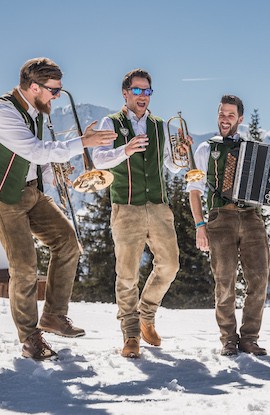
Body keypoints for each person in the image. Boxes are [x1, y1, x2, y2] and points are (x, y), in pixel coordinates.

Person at [0, 57, 117, 360]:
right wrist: (83, 143)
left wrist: (51, 175)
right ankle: (29, 337)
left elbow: (33, 158)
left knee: (68, 244)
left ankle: (53, 316)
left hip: (29, 191)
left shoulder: (35, 108)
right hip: (0, 196)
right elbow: (35, 149)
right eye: (54, 90)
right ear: (34, 87)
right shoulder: (2, 112)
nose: (58, 96)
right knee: (24, 265)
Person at [93, 69, 187, 359]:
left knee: (170, 265)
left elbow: (171, 166)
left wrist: (181, 155)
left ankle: (146, 315)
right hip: (127, 207)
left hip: (159, 206)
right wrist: (126, 149)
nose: (142, 96)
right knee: (127, 274)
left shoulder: (159, 125)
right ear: (125, 93)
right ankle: (131, 334)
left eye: (147, 91)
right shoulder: (112, 122)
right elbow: (98, 158)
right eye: (137, 91)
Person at [187, 95, 270, 357]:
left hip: (252, 217)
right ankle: (228, 339)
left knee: (259, 277)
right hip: (220, 219)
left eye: (231, 115)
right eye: (222, 114)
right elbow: (194, 190)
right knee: (225, 281)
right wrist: (200, 225)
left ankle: (249, 338)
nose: (225, 119)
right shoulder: (205, 150)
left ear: (240, 119)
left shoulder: (253, 149)